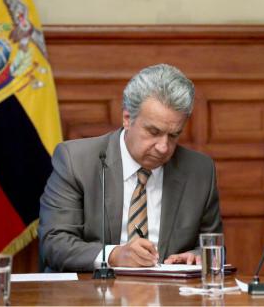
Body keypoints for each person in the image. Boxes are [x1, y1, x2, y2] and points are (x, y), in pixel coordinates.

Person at [39, 64, 223, 272]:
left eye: (173, 135)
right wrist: (114, 255)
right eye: (153, 132)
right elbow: (55, 244)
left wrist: (196, 257)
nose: (163, 147)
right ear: (127, 119)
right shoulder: (77, 161)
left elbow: (212, 246)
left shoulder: (199, 171)